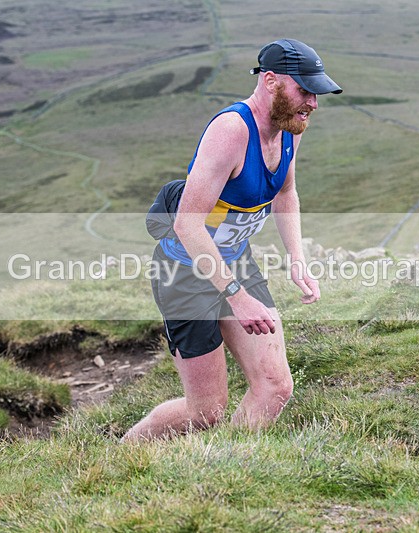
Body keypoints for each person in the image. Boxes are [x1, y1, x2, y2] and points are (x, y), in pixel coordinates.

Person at [123, 39, 342, 442]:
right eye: (305, 90)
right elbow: (188, 225)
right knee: (205, 412)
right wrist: (237, 297)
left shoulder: (290, 128)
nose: (312, 102)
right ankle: (122, 451)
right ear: (272, 81)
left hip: (236, 263)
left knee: (276, 386)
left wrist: (297, 258)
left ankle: (229, 467)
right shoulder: (231, 130)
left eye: (317, 93)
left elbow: (286, 192)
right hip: (185, 274)